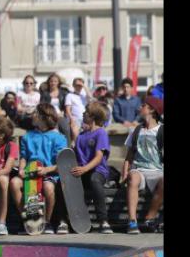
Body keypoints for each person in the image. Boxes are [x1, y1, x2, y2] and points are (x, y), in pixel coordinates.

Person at [9, 103, 68, 235]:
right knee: (14, 183)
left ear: (43, 117)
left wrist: (46, 170)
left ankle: (46, 222)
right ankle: (28, 218)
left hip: (49, 174)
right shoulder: (27, 136)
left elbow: (61, 163)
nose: (32, 115)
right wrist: (22, 170)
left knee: (48, 187)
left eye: (35, 113)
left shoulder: (59, 138)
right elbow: (24, 157)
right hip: (30, 173)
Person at [123, 96, 164, 234]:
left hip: (157, 171)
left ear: (152, 110)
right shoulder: (135, 130)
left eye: (143, 106)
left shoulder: (162, 130)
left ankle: (149, 218)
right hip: (139, 169)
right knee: (133, 177)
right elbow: (128, 156)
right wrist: (124, 174)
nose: (140, 107)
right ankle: (132, 221)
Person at [72, 103, 113, 234]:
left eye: (86, 112)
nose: (83, 114)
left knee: (94, 180)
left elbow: (98, 157)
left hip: (98, 171)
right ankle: (66, 220)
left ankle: (103, 221)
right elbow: (75, 157)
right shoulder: (81, 136)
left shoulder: (100, 133)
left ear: (93, 116)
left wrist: (84, 169)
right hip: (83, 171)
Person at [64, 78, 91, 144]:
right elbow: (67, 109)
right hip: (75, 119)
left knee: (86, 138)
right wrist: (71, 119)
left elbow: (90, 97)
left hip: (85, 120)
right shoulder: (69, 95)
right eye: (77, 85)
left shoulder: (84, 95)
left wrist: (84, 86)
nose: (79, 86)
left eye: (80, 85)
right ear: (73, 85)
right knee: (76, 140)